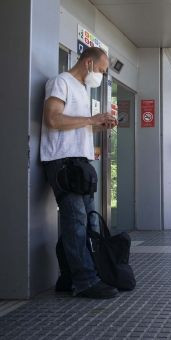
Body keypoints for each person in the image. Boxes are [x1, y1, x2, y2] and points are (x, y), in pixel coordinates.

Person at [41, 47, 118, 299]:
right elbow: (53, 120)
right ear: (88, 63)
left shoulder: (84, 90)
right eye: (101, 70)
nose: (101, 75)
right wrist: (90, 120)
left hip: (81, 162)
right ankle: (85, 281)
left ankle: (67, 276)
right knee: (75, 223)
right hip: (63, 162)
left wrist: (99, 124)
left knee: (87, 221)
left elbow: (76, 126)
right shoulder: (60, 82)